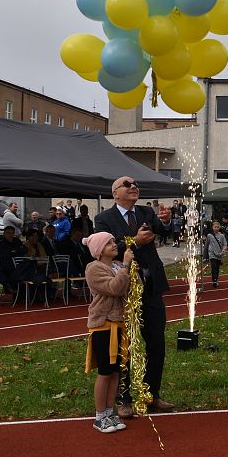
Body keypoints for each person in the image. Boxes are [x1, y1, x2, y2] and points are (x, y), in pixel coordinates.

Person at [94, 176, 174, 417]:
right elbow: (106, 249)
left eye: (135, 185)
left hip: (151, 287)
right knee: (125, 346)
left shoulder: (146, 212)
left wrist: (167, 221)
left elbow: (163, 232)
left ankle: (152, 395)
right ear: (115, 193)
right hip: (125, 291)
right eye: (127, 185)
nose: (133, 187)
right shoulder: (103, 219)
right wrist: (135, 241)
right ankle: (123, 398)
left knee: (156, 343)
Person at [83, 232, 136, 433]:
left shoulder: (116, 266)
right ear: (98, 249)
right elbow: (115, 288)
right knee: (104, 372)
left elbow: (128, 288)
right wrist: (124, 266)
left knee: (115, 372)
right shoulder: (94, 268)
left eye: (114, 241)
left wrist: (130, 270)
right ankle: (100, 416)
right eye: (108, 243)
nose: (114, 245)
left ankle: (109, 411)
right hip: (103, 325)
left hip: (119, 323)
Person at [206, 221, 227, 288]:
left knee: (217, 267)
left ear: (219, 228)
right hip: (212, 254)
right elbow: (206, 245)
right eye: (215, 227)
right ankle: (214, 280)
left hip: (219, 254)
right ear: (212, 227)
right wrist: (205, 255)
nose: (216, 228)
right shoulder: (209, 235)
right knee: (214, 266)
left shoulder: (221, 236)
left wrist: (223, 251)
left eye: (217, 227)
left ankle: (216, 278)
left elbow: (225, 244)